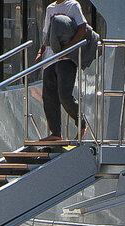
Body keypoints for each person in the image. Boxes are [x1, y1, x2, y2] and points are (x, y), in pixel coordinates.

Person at [36, 0, 88, 141]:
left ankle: (81, 122)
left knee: (64, 95)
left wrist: (67, 49)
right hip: (50, 59)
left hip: (67, 58)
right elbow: (46, 33)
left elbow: (82, 28)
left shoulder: (73, 5)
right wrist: (41, 53)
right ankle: (56, 133)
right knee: (49, 97)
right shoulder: (50, 8)